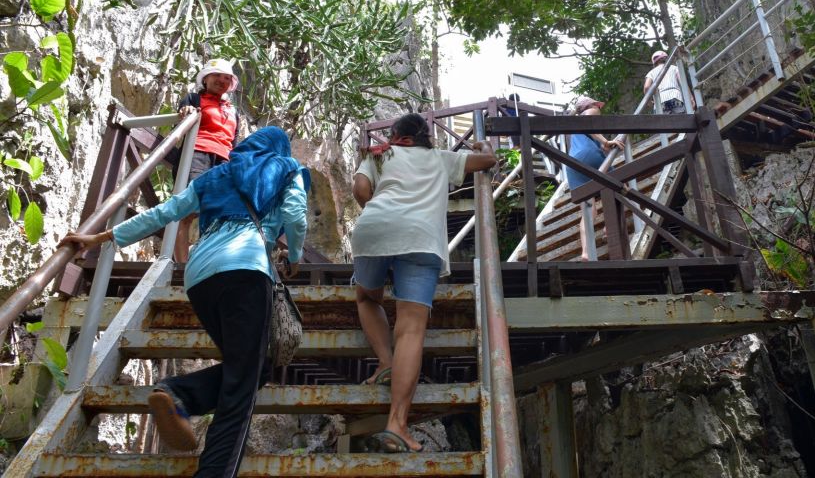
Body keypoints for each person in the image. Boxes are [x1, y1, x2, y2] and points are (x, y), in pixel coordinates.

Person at [59, 127, 309, 478]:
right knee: (241, 388)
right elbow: (296, 214)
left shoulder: (216, 174)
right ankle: (206, 455)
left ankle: (181, 396)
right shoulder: (288, 168)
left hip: (200, 276)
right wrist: (295, 256)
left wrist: (104, 236)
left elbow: (167, 211)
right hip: (246, 271)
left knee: (254, 369)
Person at [350, 113, 496, 453]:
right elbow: (488, 159)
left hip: (373, 229)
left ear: (396, 134)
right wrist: (482, 143)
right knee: (411, 329)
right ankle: (397, 423)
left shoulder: (379, 153)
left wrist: (379, 212)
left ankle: (386, 362)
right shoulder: (440, 158)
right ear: (425, 137)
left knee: (367, 298)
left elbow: (360, 189)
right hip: (421, 238)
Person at [174, 58, 241, 263]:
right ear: (206, 79)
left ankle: (208, 262)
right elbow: (184, 114)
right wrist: (186, 112)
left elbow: (234, 141)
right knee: (186, 210)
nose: (222, 80)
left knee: (217, 213)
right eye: (217, 75)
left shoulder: (233, 111)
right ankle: (182, 264)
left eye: (226, 77)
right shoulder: (194, 99)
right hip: (196, 154)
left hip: (224, 161)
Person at [564, 96, 624, 262]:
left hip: (573, 164)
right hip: (589, 157)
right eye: (598, 106)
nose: (599, 109)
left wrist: (604, 146)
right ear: (590, 105)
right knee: (619, 186)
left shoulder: (574, 128)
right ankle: (608, 228)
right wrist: (607, 140)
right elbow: (589, 125)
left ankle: (586, 252)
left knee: (588, 209)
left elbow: (590, 137)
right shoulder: (589, 111)